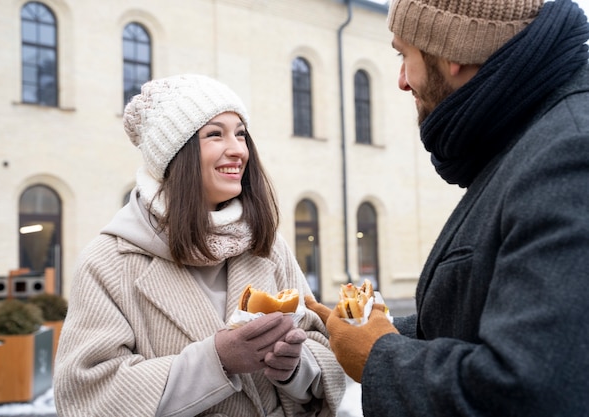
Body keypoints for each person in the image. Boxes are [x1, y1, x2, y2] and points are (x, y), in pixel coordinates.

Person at [306, 0, 589, 415]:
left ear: (453, 52)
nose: (401, 81)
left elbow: (530, 391)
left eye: (405, 55)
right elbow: (480, 322)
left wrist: (378, 355)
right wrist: (368, 331)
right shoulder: (527, 141)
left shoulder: (569, 154)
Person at [54, 74, 345, 416]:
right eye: (215, 135)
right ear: (175, 156)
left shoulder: (267, 245)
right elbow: (86, 392)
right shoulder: (108, 261)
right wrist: (216, 361)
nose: (238, 149)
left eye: (240, 133)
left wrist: (295, 368)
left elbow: (323, 351)